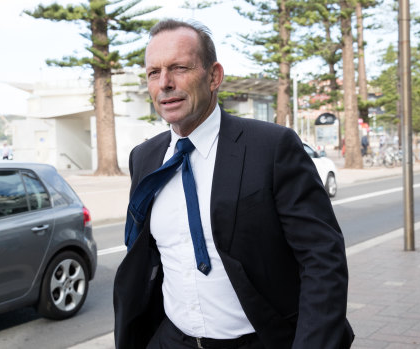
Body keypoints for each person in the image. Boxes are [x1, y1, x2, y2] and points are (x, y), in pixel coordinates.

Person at [113, 19, 353, 349]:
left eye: (179, 68)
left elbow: (323, 260)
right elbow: (145, 257)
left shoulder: (271, 147)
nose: (165, 83)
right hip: (172, 339)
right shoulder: (144, 158)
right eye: (154, 72)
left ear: (214, 76)